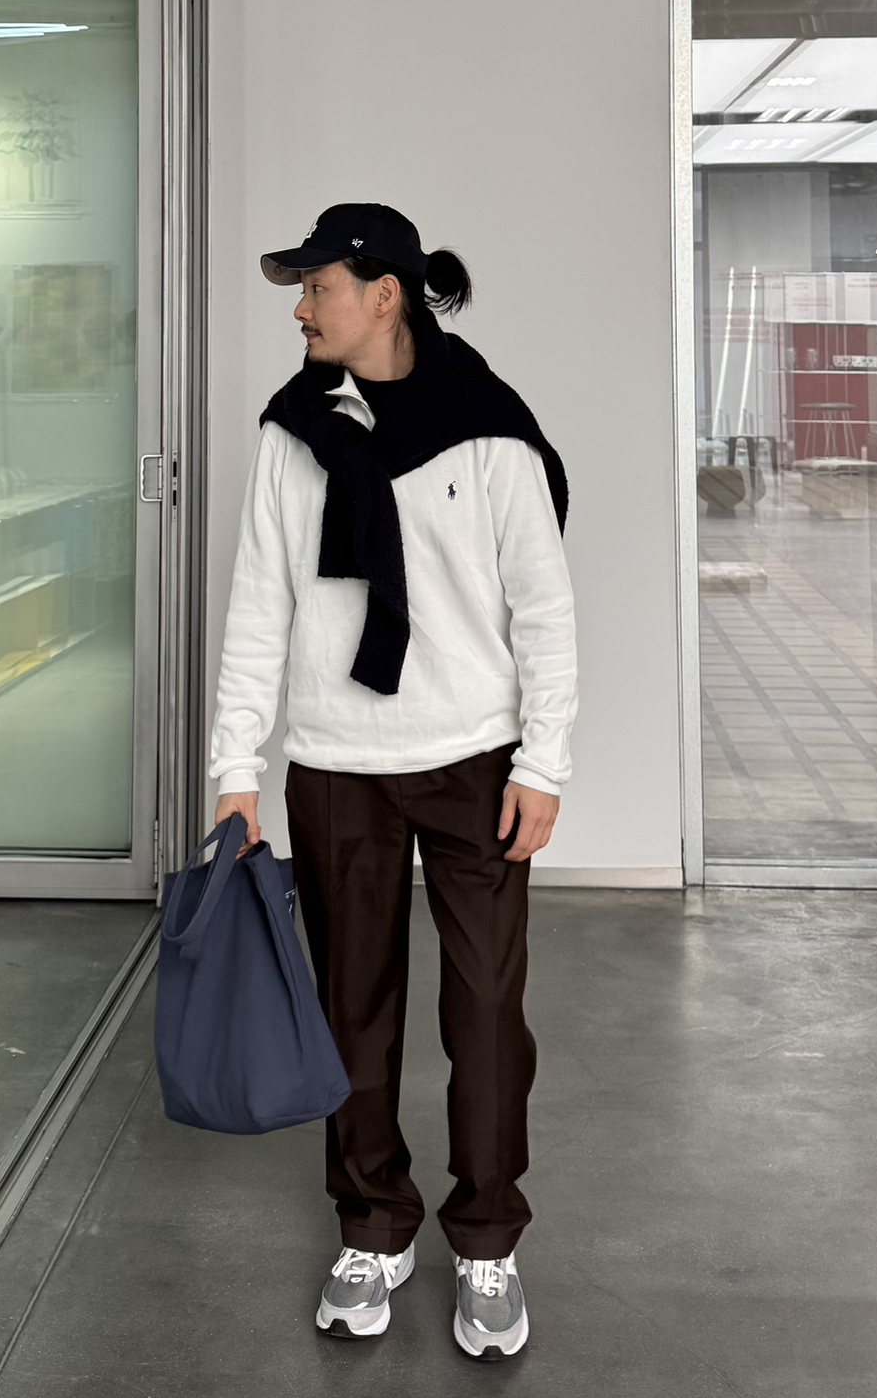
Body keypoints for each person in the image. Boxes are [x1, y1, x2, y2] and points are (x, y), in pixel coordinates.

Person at [210, 202, 578, 1361]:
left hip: (474, 761)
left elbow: (544, 608)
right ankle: (371, 1225)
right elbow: (258, 606)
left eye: (315, 285)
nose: (300, 308)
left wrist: (543, 761)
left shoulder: (488, 431)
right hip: (335, 766)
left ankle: (487, 1243)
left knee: (485, 1016)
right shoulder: (290, 435)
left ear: (383, 294)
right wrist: (235, 768)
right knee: (350, 1015)